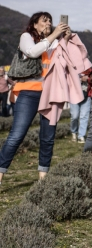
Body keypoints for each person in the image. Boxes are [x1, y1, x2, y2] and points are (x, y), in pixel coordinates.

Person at [0, 12, 70, 183]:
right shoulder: (27, 37)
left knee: (48, 137)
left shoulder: (54, 42)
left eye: (50, 21)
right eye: (44, 20)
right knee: (17, 135)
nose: (48, 23)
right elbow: (31, 52)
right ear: (34, 24)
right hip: (29, 92)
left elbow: (64, 62)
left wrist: (64, 40)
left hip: (50, 94)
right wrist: (52, 35)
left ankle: (42, 179)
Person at [70, 68, 92, 143]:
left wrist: (88, 79)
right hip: (74, 94)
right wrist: (79, 79)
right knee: (74, 116)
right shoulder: (72, 64)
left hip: (87, 94)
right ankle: (74, 132)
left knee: (84, 116)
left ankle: (81, 136)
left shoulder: (90, 65)